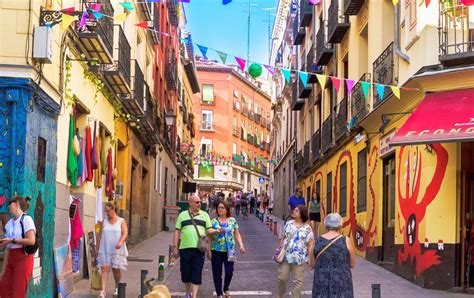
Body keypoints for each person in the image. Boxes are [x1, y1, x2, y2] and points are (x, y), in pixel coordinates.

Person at [172, 195, 223, 298]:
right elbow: (177, 231)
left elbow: (208, 230)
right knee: (185, 272)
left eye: (200, 202)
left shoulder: (204, 215)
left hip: (199, 248)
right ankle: (187, 292)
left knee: (197, 271)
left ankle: (194, 296)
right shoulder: (182, 215)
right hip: (184, 248)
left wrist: (216, 230)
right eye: (197, 202)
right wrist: (175, 247)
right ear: (190, 203)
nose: (199, 204)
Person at [310, 213, 356, 298]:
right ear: (340, 225)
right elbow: (352, 264)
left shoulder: (316, 241)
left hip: (321, 280)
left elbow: (312, 265)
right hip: (342, 281)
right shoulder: (346, 240)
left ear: (325, 225)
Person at [0, 196, 36, 298]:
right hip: (11, 258)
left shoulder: (26, 219)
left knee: (17, 292)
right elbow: (8, 248)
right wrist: (3, 270)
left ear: (17, 204)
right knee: (4, 288)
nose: (8, 206)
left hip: (23, 259)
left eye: (10, 204)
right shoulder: (10, 223)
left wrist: (12, 240)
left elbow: (31, 240)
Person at [277, 205, 314, 298]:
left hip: (300, 259)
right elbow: (283, 237)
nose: (293, 211)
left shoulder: (307, 228)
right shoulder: (288, 223)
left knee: (298, 281)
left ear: (302, 214)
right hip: (286, 257)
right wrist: (280, 248)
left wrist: (310, 259)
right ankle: (280, 295)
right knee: (282, 278)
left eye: (296, 211)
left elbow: (310, 245)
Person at [210, 201, 245, 298]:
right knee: (217, 273)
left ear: (226, 210)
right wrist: (215, 231)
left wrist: (241, 245)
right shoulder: (214, 221)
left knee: (229, 271)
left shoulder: (232, 221)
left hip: (230, 251)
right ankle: (219, 293)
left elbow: (237, 233)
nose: (220, 209)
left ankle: (226, 288)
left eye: (222, 208)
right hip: (216, 251)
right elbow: (208, 233)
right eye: (219, 208)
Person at [96, 201, 129, 298]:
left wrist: (120, 242)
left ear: (113, 209)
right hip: (105, 248)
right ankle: (103, 291)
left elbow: (125, 232)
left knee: (116, 270)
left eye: (108, 211)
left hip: (116, 249)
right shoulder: (104, 221)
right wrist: (97, 249)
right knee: (104, 269)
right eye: (105, 211)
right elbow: (99, 235)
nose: (106, 213)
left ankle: (117, 287)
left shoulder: (121, 221)